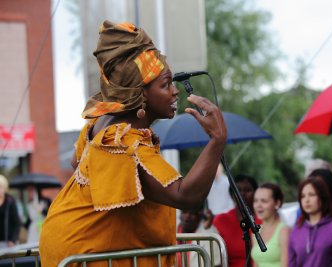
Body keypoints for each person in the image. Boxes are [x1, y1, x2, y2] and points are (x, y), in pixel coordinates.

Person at [39, 20, 227, 266]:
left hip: (68, 250)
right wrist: (217, 139)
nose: (174, 91)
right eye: (165, 84)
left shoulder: (101, 123)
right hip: (85, 255)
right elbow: (185, 196)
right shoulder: (126, 142)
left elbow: (77, 162)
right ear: (140, 94)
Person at [288, 176, 332, 267]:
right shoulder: (296, 231)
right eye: (303, 196)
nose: (307, 200)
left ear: (322, 197)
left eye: (312, 195)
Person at [213, 174, 259, 267]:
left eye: (247, 190)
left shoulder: (263, 220)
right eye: (238, 190)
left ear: (255, 193)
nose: (242, 194)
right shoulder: (220, 220)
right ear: (231, 194)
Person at [251, 183, 291, 267]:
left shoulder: (284, 231)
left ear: (277, 203)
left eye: (264, 201)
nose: (258, 205)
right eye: (255, 201)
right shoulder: (255, 232)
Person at [0, 175, 20, 248]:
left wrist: (13, 239)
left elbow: (16, 222)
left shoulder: (10, 201)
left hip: (8, 242)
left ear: (5, 188)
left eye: (0, 186)